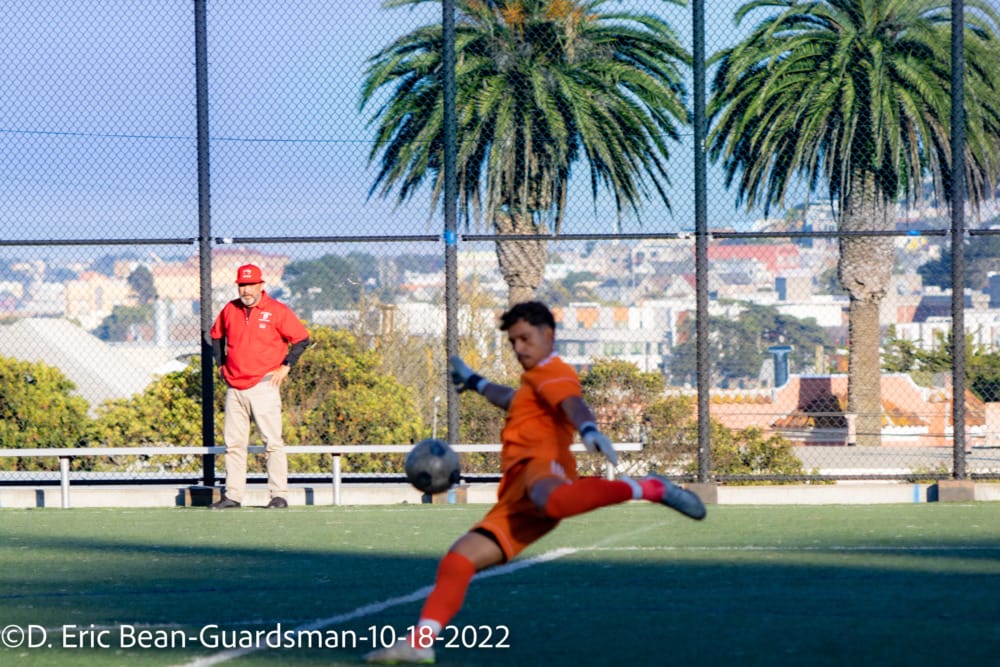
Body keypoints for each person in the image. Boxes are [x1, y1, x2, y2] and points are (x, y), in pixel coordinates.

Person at [364, 301, 705, 664]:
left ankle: (649, 488)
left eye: (526, 338)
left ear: (548, 335)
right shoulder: (532, 382)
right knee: (459, 560)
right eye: (513, 342)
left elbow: (573, 403)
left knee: (554, 502)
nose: (519, 348)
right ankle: (420, 641)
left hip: (543, 468)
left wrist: (588, 428)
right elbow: (509, 399)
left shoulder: (555, 372)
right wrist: (474, 381)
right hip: (515, 494)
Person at [209, 264, 309, 509]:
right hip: (234, 387)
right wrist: (221, 365)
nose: (246, 290)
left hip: (264, 384)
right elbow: (216, 335)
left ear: (261, 285)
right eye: (242, 285)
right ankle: (233, 496)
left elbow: (302, 339)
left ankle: (279, 495)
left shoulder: (276, 310)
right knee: (233, 445)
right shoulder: (230, 309)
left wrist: (286, 366)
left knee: (272, 443)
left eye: (251, 285)